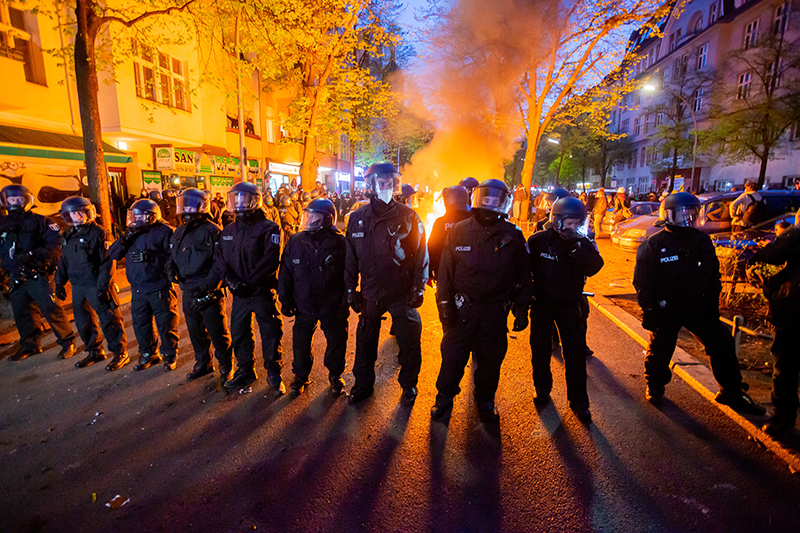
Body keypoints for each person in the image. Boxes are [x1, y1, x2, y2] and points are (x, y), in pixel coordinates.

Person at [633, 192, 766, 414]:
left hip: (698, 306)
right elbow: (643, 282)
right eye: (683, 214)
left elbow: (713, 275)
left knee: (722, 343)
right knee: (660, 349)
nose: (689, 219)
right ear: (668, 215)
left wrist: (711, 306)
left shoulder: (701, 241)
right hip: (667, 307)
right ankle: (655, 385)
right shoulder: (654, 245)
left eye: (693, 214)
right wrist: (650, 310)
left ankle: (732, 391)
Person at [431, 179, 531, 423]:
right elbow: (445, 271)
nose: (490, 204)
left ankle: (485, 398)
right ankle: (444, 398)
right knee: (453, 357)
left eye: (496, 200)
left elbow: (524, 275)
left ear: (504, 202)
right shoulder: (458, 230)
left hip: (495, 311)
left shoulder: (513, 235)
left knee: (490, 359)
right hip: (463, 308)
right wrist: (444, 304)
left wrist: (522, 309)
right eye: (486, 198)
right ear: (477, 199)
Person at [345, 162, 428, 404]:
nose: (385, 186)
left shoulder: (408, 216)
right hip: (371, 291)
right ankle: (363, 384)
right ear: (370, 185)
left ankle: (409, 384)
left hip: (401, 291)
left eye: (389, 182)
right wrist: (351, 289)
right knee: (365, 341)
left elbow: (421, 254)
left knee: (410, 340)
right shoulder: (357, 218)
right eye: (381, 182)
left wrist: (418, 287)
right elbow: (350, 258)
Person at [527, 197, 603, 423]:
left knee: (575, 353)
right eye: (568, 224)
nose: (572, 228)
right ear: (557, 220)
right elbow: (524, 270)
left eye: (576, 224)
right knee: (540, 349)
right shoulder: (538, 241)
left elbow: (594, 267)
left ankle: (578, 400)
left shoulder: (583, 242)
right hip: (542, 304)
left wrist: (576, 249)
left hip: (570, 304)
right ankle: (541, 387)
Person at [216, 182, 285, 394]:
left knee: (270, 332)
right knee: (239, 332)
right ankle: (245, 370)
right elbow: (220, 259)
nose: (238, 203)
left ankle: (274, 373)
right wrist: (230, 280)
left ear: (255, 200)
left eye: (243, 199)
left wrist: (250, 283)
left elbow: (270, 260)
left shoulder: (269, 228)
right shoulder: (228, 231)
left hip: (261, 292)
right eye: (235, 199)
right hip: (239, 294)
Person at [278, 198, 348, 395]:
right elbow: (286, 272)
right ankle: (301, 376)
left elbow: (348, 275)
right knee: (300, 343)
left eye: (314, 216)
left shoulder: (339, 242)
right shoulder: (296, 241)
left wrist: (344, 302)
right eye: (307, 215)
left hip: (331, 305)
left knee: (336, 342)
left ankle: (335, 375)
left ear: (326, 219)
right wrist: (285, 300)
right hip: (304, 303)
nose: (309, 220)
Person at [0, 185, 76, 361]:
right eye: (11, 200)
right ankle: (30, 345)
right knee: (22, 312)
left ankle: (67, 342)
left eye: (19, 200)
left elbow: (56, 245)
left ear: (27, 201)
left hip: (37, 272)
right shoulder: (2, 224)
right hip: (14, 274)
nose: (15, 203)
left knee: (50, 308)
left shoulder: (42, 222)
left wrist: (32, 255)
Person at [55, 197, 128, 370]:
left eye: (81, 213)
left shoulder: (99, 233)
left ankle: (120, 353)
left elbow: (107, 262)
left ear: (89, 213)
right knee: (83, 321)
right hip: (78, 285)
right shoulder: (68, 235)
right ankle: (94, 351)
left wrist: (103, 287)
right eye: (73, 214)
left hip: (96, 283)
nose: (78, 216)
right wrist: (59, 283)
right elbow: (64, 260)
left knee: (109, 319)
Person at [169, 189, 233, 385]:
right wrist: (171, 269)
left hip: (208, 288)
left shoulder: (213, 231)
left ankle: (225, 365)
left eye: (191, 204)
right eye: (184, 204)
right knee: (195, 330)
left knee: (217, 331)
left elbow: (220, 263)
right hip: (188, 288)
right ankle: (203, 362)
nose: (186, 209)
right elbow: (174, 255)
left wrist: (208, 286)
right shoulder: (179, 231)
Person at [109, 199, 179, 372]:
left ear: (151, 217)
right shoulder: (132, 233)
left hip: (159, 287)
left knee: (166, 324)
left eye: (139, 217)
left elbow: (176, 258)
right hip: (138, 288)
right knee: (141, 324)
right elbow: (113, 254)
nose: (135, 220)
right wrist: (125, 238)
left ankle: (169, 355)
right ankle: (148, 353)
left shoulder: (166, 232)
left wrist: (152, 258)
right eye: (134, 217)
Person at [749, 223, 800, 436]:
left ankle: (783, 416)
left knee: (786, 364)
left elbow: (772, 254)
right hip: (792, 307)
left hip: (793, 311)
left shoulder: (796, 235)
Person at [427, 186, 471, 282]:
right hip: (470, 272)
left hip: (444, 272)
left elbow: (432, 247)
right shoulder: (474, 221)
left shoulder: (440, 222)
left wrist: (429, 272)